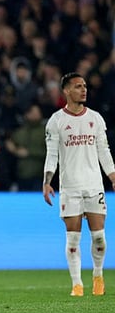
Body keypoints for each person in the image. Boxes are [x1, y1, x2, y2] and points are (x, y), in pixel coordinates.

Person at [43, 72, 115, 297]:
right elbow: (52, 154)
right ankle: (77, 284)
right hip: (70, 188)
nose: (83, 90)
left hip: (94, 185)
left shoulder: (95, 118)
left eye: (84, 86)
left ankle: (97, 275)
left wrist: (113, 175)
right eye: (77, 86)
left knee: (99, 238)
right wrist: (47, 181)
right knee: (73, 238)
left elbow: (104, 151)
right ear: (66, 91)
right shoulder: (56, 121)